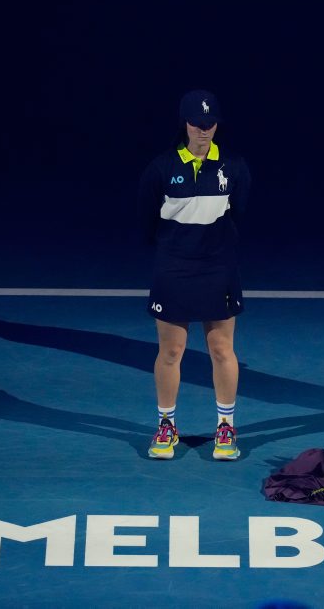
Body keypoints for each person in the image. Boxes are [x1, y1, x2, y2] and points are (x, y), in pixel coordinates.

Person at [137, 89, 251, 460]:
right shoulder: (161, 168)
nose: (204, 131)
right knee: (171, 350)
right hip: (174, 267)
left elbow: (240, 214)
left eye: (210, 124)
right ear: (185, 124)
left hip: (217, 267)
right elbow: (146, 221)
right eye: (197, 124)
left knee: (221, 348)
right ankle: (166, 426)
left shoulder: (233, 166)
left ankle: (225, 428)